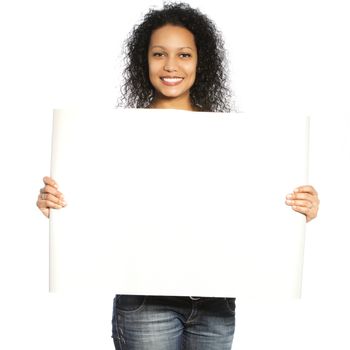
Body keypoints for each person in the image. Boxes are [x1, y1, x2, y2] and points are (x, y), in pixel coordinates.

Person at [36, 3, 320, 349]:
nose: (171, 66)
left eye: (184, 54)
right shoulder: (114, 135)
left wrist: (296, 208)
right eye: (159, 54)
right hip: (145, 301)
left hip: (217, 300)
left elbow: (248, 206)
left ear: (201, 62)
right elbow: (100, 204)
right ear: (145, 60)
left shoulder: (234, 138)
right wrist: (59, 205)